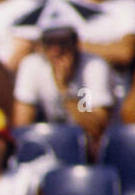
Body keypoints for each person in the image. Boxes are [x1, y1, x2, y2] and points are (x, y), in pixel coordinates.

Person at [11, 9, 115, 157]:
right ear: (42, 46)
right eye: (50, 44)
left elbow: (96, 128)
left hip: (87, 146)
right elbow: (23, 125)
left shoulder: (93, 66)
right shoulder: (31, 65)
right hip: (50, 143)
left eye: (63, 43)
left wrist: (66, 90)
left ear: (75, 44)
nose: (57, 51)